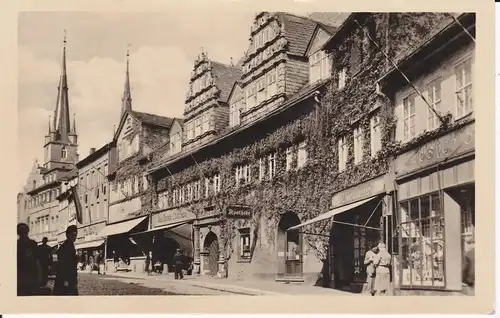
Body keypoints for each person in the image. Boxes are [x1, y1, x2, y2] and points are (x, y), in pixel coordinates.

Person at [53, 225, 79, 296]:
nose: (74, 237)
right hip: (66, 279)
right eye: (73, 235)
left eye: (75, 235)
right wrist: (65, 280)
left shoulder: (70, 245)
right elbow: (64, 265)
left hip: (69, 278)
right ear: (67, 235)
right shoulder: (66, 247)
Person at [17, 223, 41, 296]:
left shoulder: (33, 244)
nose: (23, 233)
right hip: (21, 276)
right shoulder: (17, 244)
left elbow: (38, 261)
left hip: (32, 275)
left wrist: (39, 276)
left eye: (24, 231)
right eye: (21, 231)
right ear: (18, 232)